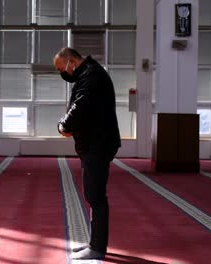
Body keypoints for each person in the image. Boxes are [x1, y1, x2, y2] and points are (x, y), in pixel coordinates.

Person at [53, 47, 121, 260]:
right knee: (93, 194)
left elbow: (80, 106)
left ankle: (98, 248)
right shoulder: (90, 73)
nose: (61, 73)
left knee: (96, 196)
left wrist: (63, 125)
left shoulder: (91, 76)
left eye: (60, 68)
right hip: (94, 144)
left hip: (97, 145)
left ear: (71, 62)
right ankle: (94, 243)